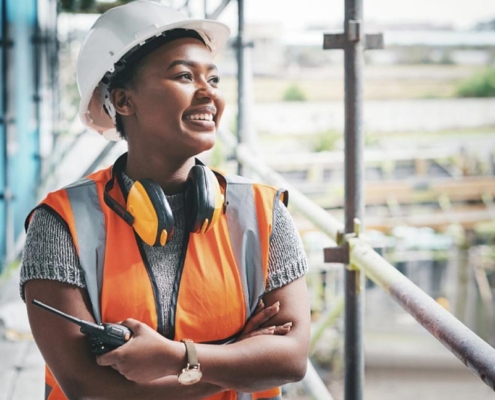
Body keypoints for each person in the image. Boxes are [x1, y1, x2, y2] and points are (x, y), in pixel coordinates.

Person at [20, 1, 311, 399]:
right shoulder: (60, 223)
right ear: (124, 101)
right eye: (184, 75)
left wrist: (175, 357)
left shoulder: (263, 213)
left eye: (214, 78)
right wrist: (237, 356)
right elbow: (87, 388)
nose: (208, 92)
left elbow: (291, 360)